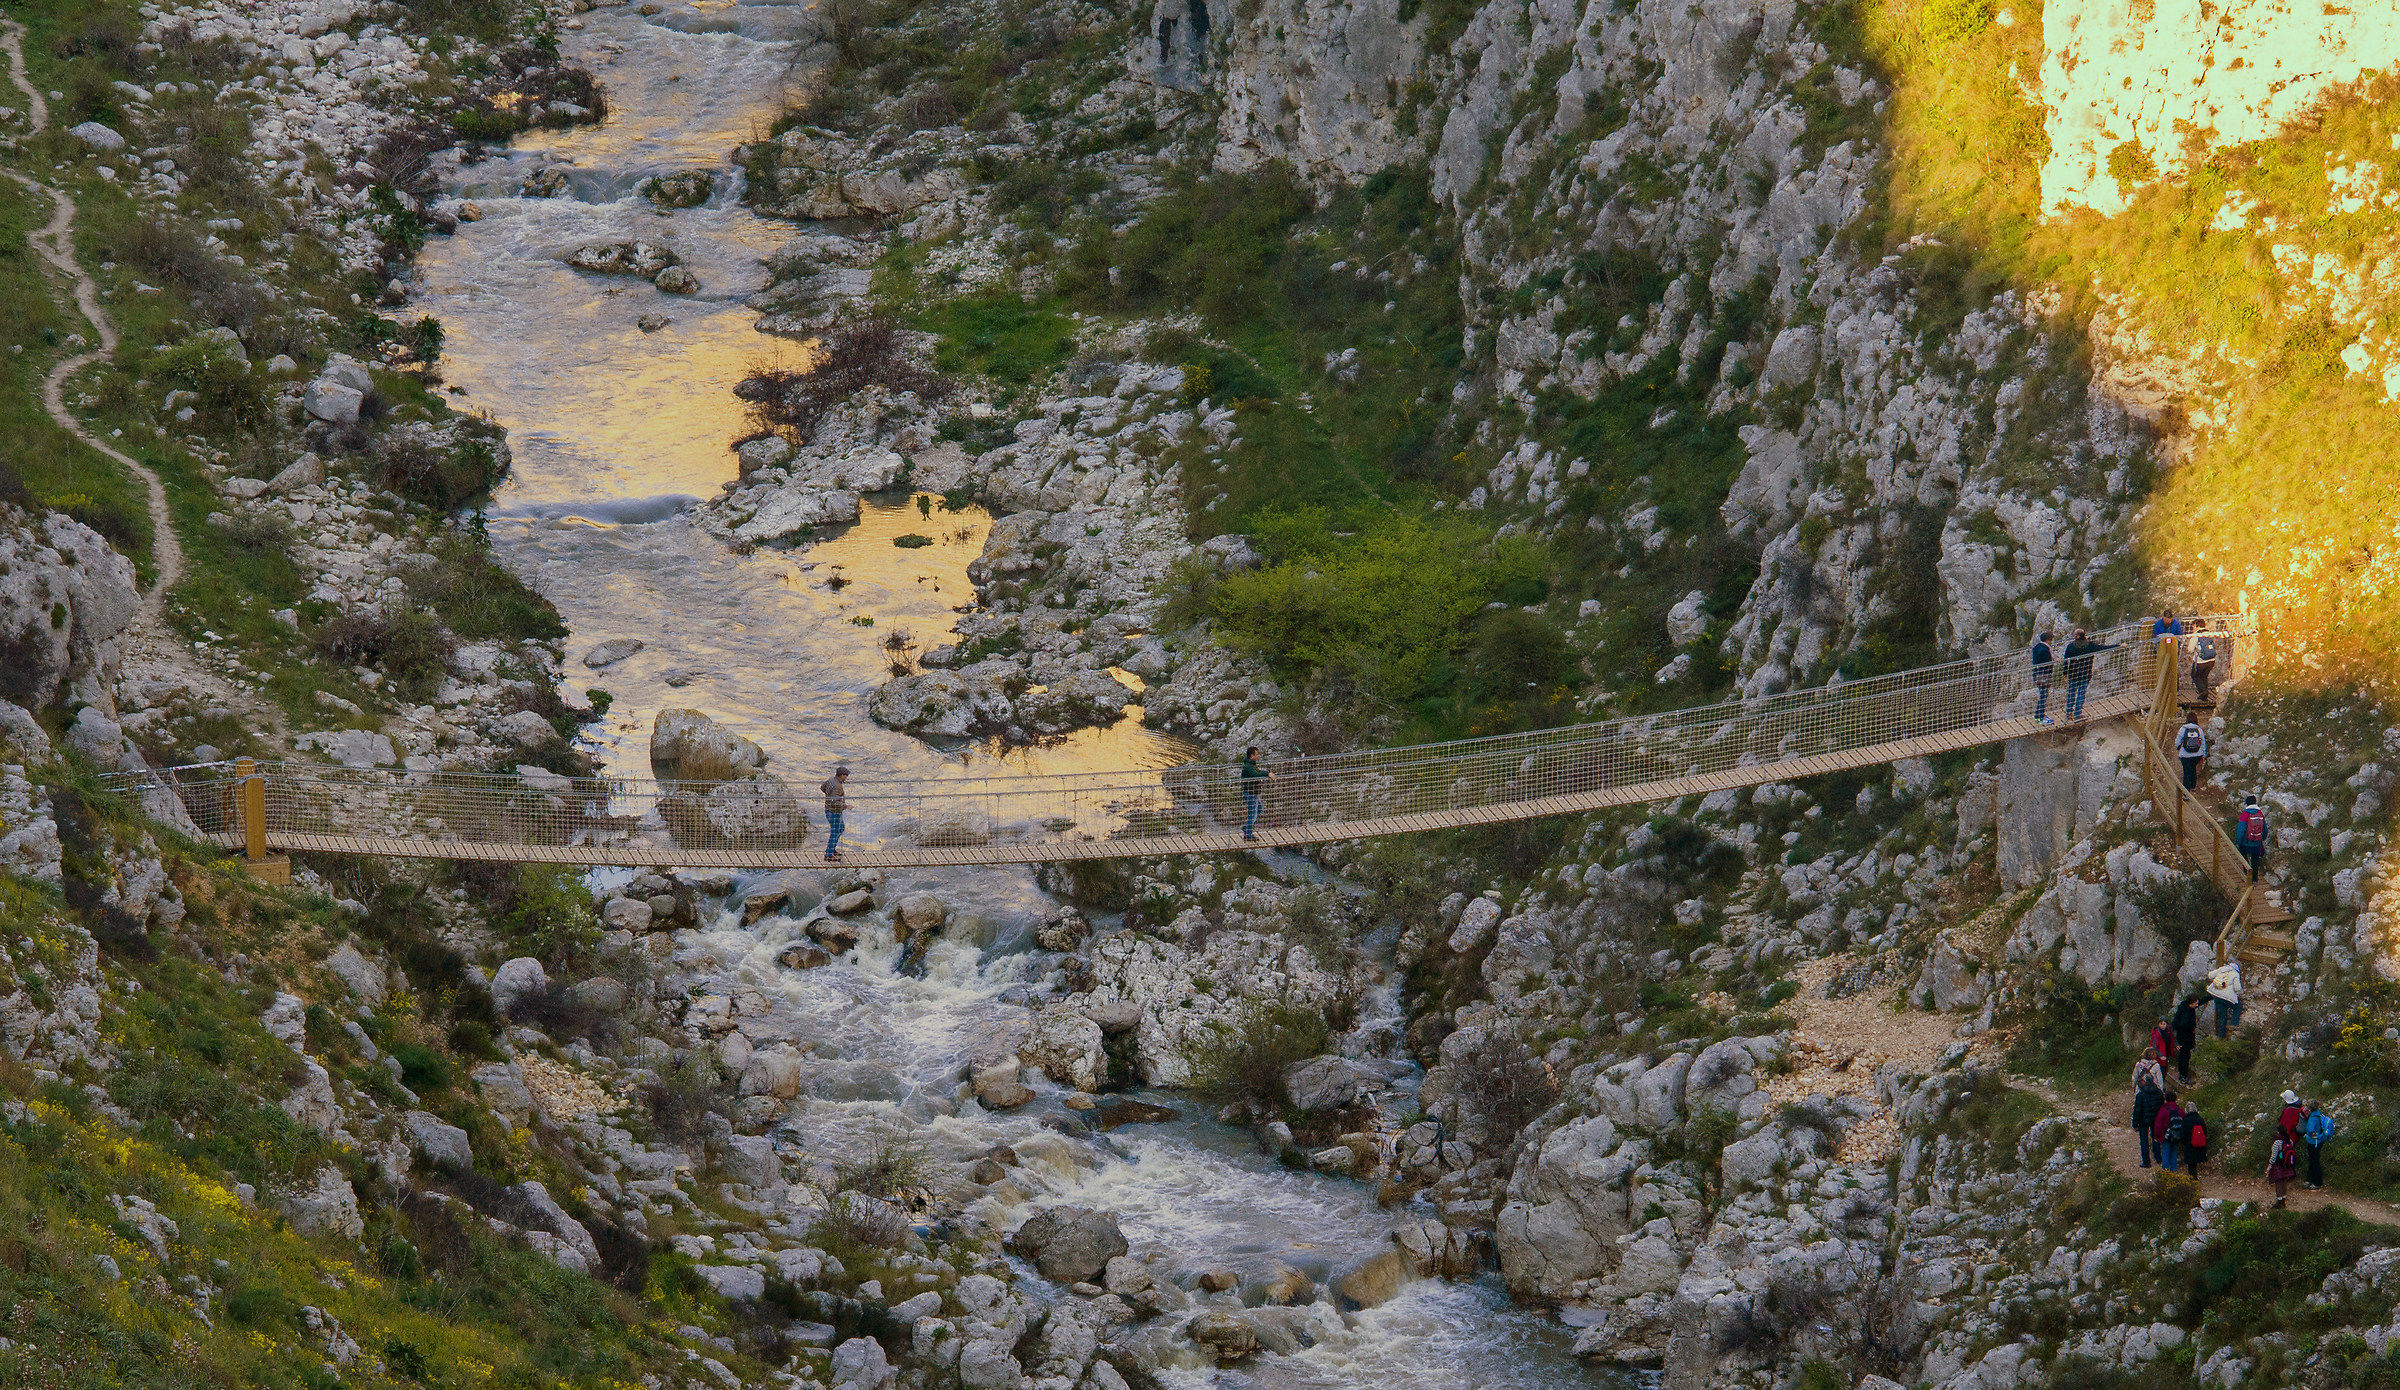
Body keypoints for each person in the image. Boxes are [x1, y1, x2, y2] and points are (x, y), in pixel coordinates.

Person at [2063, 627, 2118, 722]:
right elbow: (2103, 648)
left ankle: (2068, 714)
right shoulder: (2090, 645)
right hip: (2085, 673)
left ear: (2077, 636)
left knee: (2071, 694)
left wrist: (2065, 673)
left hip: (2073, 674)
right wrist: (2119, 645)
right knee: (2081, 694)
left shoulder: (2071, 646)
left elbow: (2065, 660)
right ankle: (2077, 714)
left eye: (2074, 634)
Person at [2132, 1049, 2166, 1168]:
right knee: (2155, 1136)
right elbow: (2160, 1082)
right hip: (2155, 1116)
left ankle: (2146, 1161)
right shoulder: (2156, 1066)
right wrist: (2160, 1092)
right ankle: (2158, 1157)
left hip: (2143, 1119)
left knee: (2144, 1140)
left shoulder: (2138, 1065)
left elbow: (2134, 1078)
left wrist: (2134, 1123)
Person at [2303, 1100, 2336, 1191]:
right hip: (2319, 1141)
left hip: (2313, 1142)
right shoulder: (2319, 1114)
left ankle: (2316, 1182)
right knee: (2314, 1160)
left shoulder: (2313, 1117)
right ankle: (2311, 1179)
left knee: (2313, 1161)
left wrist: (2307, 1134)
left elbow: (2310, 1130)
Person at [2235, 795, 2268, 881]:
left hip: (2246, 842)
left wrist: (2238, 840)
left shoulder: (2245, 814)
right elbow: (2264, 828)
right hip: (2257, 842)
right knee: (2255, 861)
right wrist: (2262, 838)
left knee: (2243, 856)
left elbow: (2241, 829)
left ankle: (2246, 873)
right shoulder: (2260, 813)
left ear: (2247, 803)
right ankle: (2254, 880)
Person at [2207, 959, 2243, 1038]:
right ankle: (2233, 1024)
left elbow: (2210, 975)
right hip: (2227, 998)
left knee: (2222, 1017)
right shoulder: (2235, 974)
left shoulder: (2222, 969)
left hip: (2217, 996)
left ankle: (2221, 1037)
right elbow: (2237, 988)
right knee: (2238, 1007)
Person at [820, 765, 849, 862]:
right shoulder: (838, 786)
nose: (846, 777)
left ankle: (832, 849)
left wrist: (829, 795)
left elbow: (822, 787)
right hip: (834, 812)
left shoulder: (831, 779)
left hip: (829, 810)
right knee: (835, 831)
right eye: (846, 775)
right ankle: (828, 855)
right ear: (841, 776)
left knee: (841, 828)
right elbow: (835, 802)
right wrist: (846, 806)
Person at [1238, 746, 1267, 842]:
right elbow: (1255, 774)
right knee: (1252, 814)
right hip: (1250, 793)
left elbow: (1257, 772)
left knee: (1258, 809)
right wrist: (1267, 774)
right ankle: (1248, 835)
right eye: (1257, 754)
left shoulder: (1251, 764)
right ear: (1252, 755)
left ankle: (1247, 827)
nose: (1258, 756)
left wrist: (1266, 773)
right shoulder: (1248, 766)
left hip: (1253, 793)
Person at [2174, 715, 2209, 792]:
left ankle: (2186, 791)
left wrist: (2179, 749)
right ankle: (2193, 786)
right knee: (2193, 769)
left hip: (2185, 755)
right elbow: (2203, 743)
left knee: (2186, 771)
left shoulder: (2183, 729)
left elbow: (2177, 742)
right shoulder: (2199, 729)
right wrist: (2203, 754)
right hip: (2197, 755)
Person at [2152, 1090, 2184, 1173]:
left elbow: (2158, 1124)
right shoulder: (2180, 1110)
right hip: (2177, 1135)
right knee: (2174, 1152)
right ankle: (2174, 1170)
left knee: (2165, 1152)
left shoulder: (2163, 1110)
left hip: (2166, 1135)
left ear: (2166, 1099)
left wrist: (2156, 1136)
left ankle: (2166, 1172)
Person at [2268, 1123, 2299, 1208]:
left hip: (2278, 1165)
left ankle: (2279, 1202)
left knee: (2278, 1183)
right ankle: (2284, 1201)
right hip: (2287, 1165)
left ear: (2278, 1132)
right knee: (2284, 1182)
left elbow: (2273, 1156)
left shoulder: (2277, 1142)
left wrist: (2269, 1166)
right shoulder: (2289, 1140)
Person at [2171, 995, 2200, 1082]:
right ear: (2191, 1004)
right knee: (2185, 1057)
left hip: (2182, 1037)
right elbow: (2183, 1025)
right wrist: (2192, 1028)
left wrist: (2210, 997)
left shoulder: (2184, 1006)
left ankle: (2182, 1074)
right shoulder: (2187, 1013)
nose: (2197, 1004)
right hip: (2184, 1038)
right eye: (2196, 1003)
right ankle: (2183, 1076)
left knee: (2183, 1056)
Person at [2031, 631, 2057, 725]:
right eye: (2051, 640)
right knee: (2043, 695)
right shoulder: (2044, 649)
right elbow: (2046, 660)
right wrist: (2053, 661)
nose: (2051, 642)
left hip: (2037, 674)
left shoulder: (2037, 647)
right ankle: (2040, 717)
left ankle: (2038, 715)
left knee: (2043, 695)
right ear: (2047, 640)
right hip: (2044, 675)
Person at [2190, 619, 2218, 702]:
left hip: (2200, 660)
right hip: (2211, 660)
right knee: (2204, 676)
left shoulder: (2196, 635)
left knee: (2195, 675)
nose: (2192, 628)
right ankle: (2204, 696)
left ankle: (2203, 692)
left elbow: (2190, 649)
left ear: (2197, 626)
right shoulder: (2210, 633)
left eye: (2193, 626)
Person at [2182, 1105, 2211, 1181]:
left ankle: (2193, 1179)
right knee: (2195, 1162)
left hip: (2189, 1145)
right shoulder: (2200, 1119)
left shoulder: (2186, 1120)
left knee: (2191, 1164)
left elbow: (2183, 1133)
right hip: (2199, 1144)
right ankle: (2195, 1178)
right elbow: (2205, 1132)